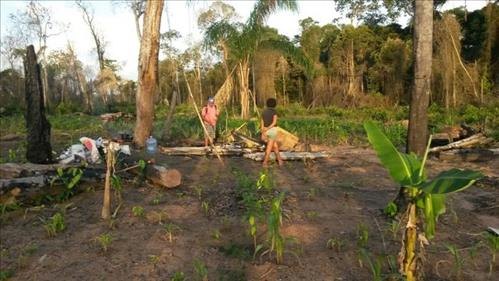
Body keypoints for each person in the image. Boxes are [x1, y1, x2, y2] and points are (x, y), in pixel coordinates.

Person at [261, 98, 283, 167]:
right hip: (272, 131)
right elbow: (274, 122)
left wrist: (263, 130)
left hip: (265, 130)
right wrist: (268, 128)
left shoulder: (264, 112)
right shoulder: (274, 112)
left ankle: (280, 161)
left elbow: (262, 122)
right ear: (274, 104)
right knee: (269, 147)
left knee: (275, 146)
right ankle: (265, 162)